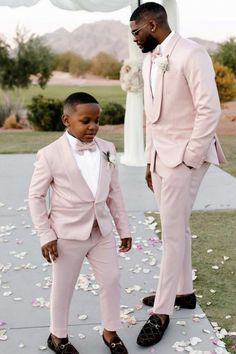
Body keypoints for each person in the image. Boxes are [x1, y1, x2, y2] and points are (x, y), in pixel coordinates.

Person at [130, 2, 226, 347]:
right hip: (160, 158)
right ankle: (184, 292)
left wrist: (189, 158)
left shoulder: (192, 53)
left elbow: (208, 108)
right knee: (176, 226)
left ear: (152, 25)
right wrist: (148, 160)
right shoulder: (149, 59)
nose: (135, 39)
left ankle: (161, 311)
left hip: (185, 158)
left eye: (136, 32)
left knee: (170, 233)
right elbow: (151, 115)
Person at [28, 92, 132, 354]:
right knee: (63, 288)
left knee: (111, 279)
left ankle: (110, 332)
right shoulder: (49, 154)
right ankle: (58, 337)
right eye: (85, 121)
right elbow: (36, 196)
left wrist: (124, 229)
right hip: (67, 235)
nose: (93, 127)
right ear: (66, 120)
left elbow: (114, 192)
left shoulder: (107, 149)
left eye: (97, 121)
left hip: (101, 232)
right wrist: (45, 234)